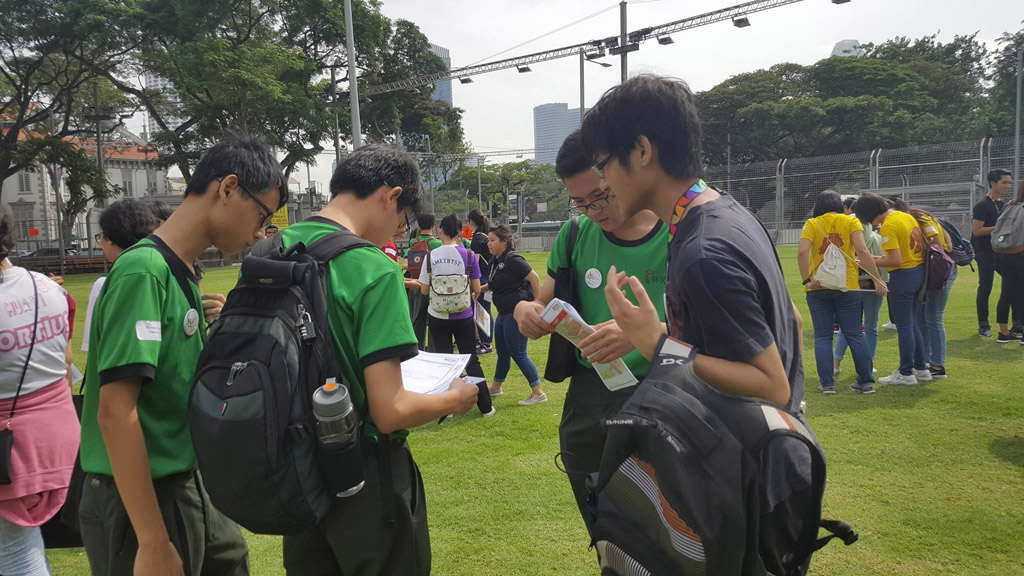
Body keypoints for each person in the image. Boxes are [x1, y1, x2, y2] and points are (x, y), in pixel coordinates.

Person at [78, 138, 288, 576]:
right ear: (227, 189)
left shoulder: (182, 276)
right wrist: (152, 541)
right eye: (262, 215)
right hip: (141, 495)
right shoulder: (142, 271)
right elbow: (116, 412)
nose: (261, 232)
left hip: (191, 483)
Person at [279, 145, 479, 576]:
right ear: (391, 196)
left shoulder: (270, 250)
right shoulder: (372, 268)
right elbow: (390, 411)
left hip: (294, 471)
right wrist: (454, 399)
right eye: (402, 219)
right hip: (362, 477)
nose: (396, 230)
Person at [581, 74, 803, 412]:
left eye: (603, 166)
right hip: (771, 445)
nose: (603, 183)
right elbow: (793, 321)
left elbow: (771, 386)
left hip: (745, 456)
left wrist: (655, 344)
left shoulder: (703, 252)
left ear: (642, 151)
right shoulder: (729, 213)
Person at [514, 129, 668, 536]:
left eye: (601, 195)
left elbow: (719, 324)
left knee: (664, 529)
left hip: (664, 392)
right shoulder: (576, 233)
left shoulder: (680, 231)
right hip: (591, 397)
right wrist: (525, 310)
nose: (593, 209)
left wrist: (641, 334)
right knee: (604, 524)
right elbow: (545, 304)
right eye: (580, 202)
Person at [0, 205, 79, 576]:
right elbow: (63, 363)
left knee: (14, 552)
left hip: (12, 454)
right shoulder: (47, 287)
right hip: (54, 440)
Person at [798, 191, 887, 394]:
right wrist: (877, 278)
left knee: (822, 336)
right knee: (855, 333)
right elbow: (862, 251)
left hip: (818, 285)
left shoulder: (811, 224)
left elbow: (803, 252)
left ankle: (827, 384)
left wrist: (807, 280)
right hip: (847, 284)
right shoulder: (851, 222)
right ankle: (865, 382)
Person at [418, 213, 494, 417]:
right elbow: (477, 288)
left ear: (439, 230)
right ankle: (486, 407)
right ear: (461, 232)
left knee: (444, 361)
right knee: (471, 360)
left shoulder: (430, 256)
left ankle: (447, 410)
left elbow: (424, 290)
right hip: (463, 315)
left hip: (437, 316)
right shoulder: (468, 255)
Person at [853, 193, 931, 386]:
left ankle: (905, 372)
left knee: (904, 326)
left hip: (902, 276)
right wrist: (873, 259)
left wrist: (868, 260)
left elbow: (895, 260)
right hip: (917, 272)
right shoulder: (905, 215)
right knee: (912, 323)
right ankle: (921, 368)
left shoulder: (889, 224)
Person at [82, 199, 161, 353]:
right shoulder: (162, 270)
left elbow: (94, 344)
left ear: (111, 239)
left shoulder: (104, 284)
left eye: (101, 236)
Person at [891, 197, 957, 377]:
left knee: (933, 317)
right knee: (919, 319)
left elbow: (936, 242)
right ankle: (922, 362)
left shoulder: (920, 218)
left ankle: (938, 365)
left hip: (938, 270)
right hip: (925, 271)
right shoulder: (910, 219)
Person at [481, 225, 545, 405]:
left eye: (492, 240)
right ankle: (496, 386)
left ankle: (538, 392)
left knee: (518, 353)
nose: (489, 244)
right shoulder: (495, 260)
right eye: (488, 240)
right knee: (502, 353)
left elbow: (534, 278)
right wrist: (479, 289)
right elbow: (495, 283)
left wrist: (537, 305)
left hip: (516, 313)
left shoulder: (513, 259)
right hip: (502, 314)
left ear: (504, 241)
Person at [834, 206, 889, 377]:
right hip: (863, 289)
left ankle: (849, 363)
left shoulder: (871, 242)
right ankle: (842, 363)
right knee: (861, 327)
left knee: (858, 327)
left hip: (863, 289)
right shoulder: (869, 241)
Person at [973, 169, 1012, 337]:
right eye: (1004, 182)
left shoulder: (1004, 205)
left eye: (1009, 183)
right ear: (992, 183)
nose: (1007, 186)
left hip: (1002, 250)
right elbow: (977, 231)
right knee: (986, 286)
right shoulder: (982, 205)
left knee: (1013, 283)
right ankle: (983, 324)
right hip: (985, 251)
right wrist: (1000, 228)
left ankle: (1013, 323)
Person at [404, 215, 441, 350]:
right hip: (432, 286)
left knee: (417, 319)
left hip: (416, 285)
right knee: (433, 319)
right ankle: (432, 350)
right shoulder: (437, 244)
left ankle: (417, 350)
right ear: (433, 226)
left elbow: (406, 264)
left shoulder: (413, 243)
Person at [996, 181, 1024, 344]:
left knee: (1006, 293)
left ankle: (1004, 332)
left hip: (1006, 253)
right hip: (1021, 252)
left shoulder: (1010, 205)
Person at [467, 209, 494, 354]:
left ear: (471, 222)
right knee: (487, 309)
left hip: (481, 279)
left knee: (481, 310)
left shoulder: (477, 238)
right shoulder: (485, 236)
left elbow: (474, 262)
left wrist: (471, 280)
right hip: (488, 280)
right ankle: (487, 341)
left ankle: (486, 342)